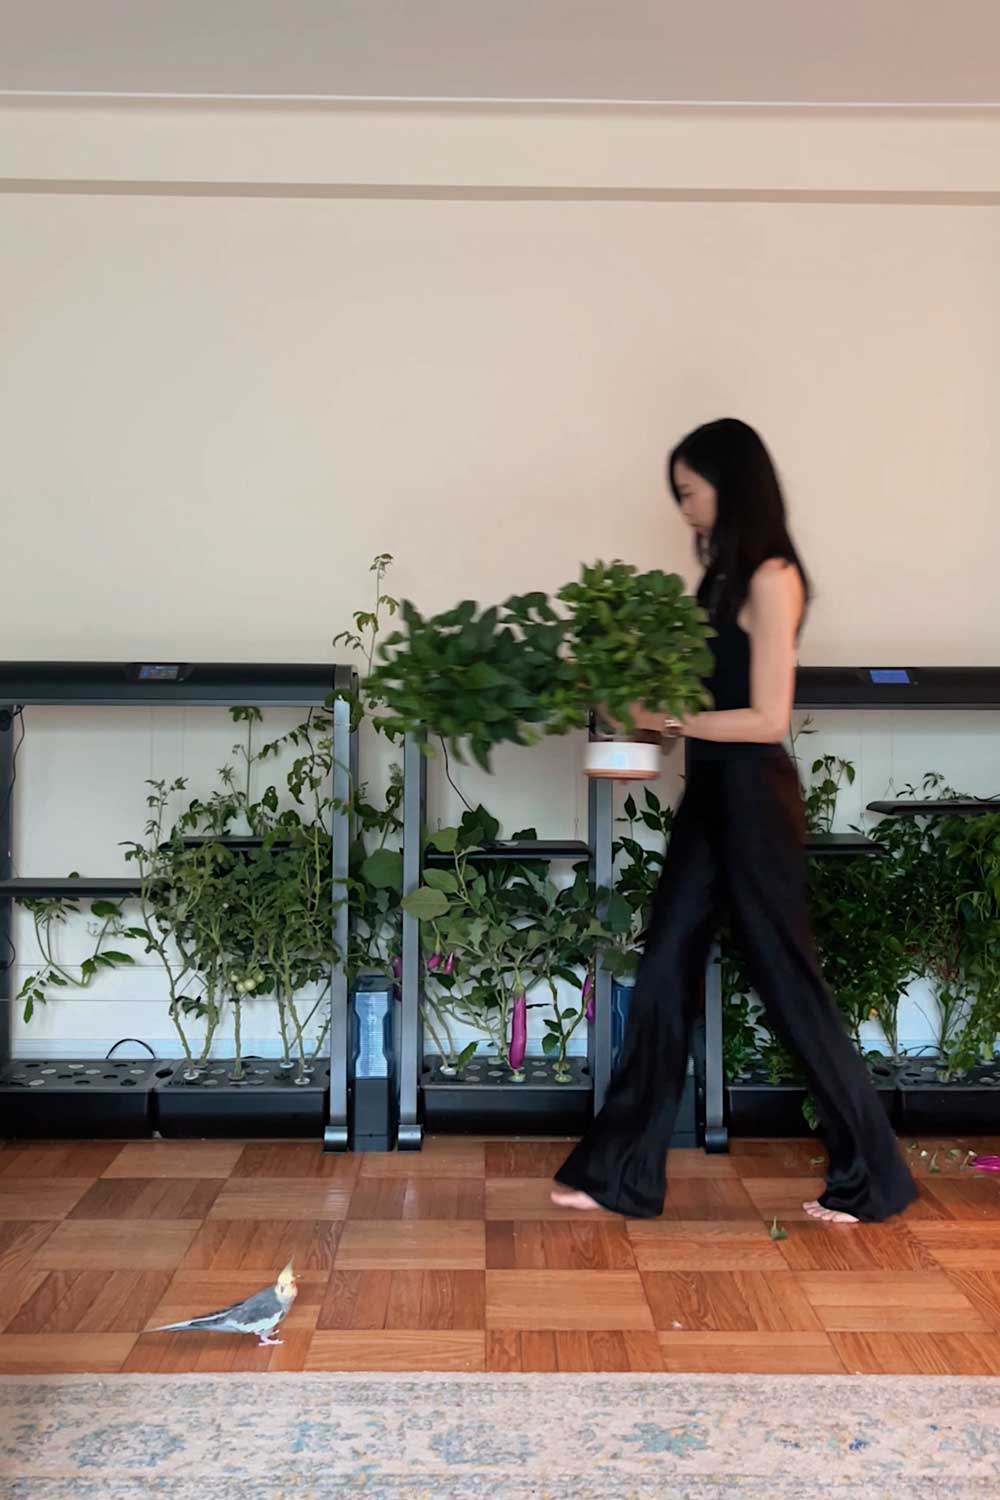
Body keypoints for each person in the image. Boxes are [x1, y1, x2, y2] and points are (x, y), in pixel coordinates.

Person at [552, 418, 917, 1225]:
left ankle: (876, 1178)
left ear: (730, 482)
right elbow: (692, 708)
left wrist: (669, 717)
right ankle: (621, 1175)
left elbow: (765, 717)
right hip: (712, 796)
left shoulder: (772, 577)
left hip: (754, 798)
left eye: (690, 491)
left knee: (788, 985)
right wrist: (620, 705)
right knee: (664, 969)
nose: (683, 508)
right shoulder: (719, 582)